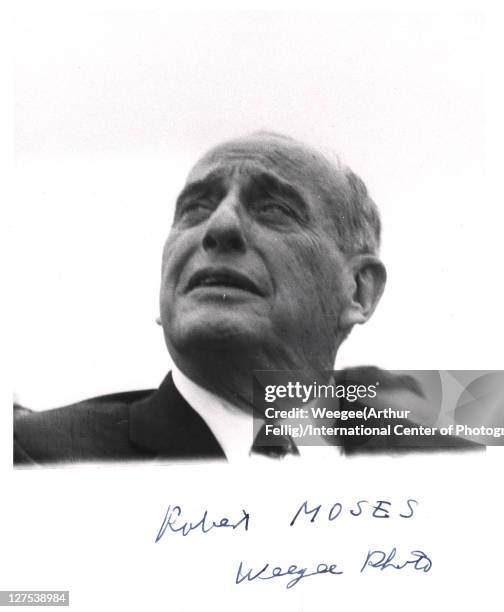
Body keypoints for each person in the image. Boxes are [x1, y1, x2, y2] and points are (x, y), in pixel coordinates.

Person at [13, 132, 475, 465]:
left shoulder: (455, 474)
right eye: (195, 208)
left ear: (358, 290)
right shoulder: (29, 458)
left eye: (274, 209)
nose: (219, 227)